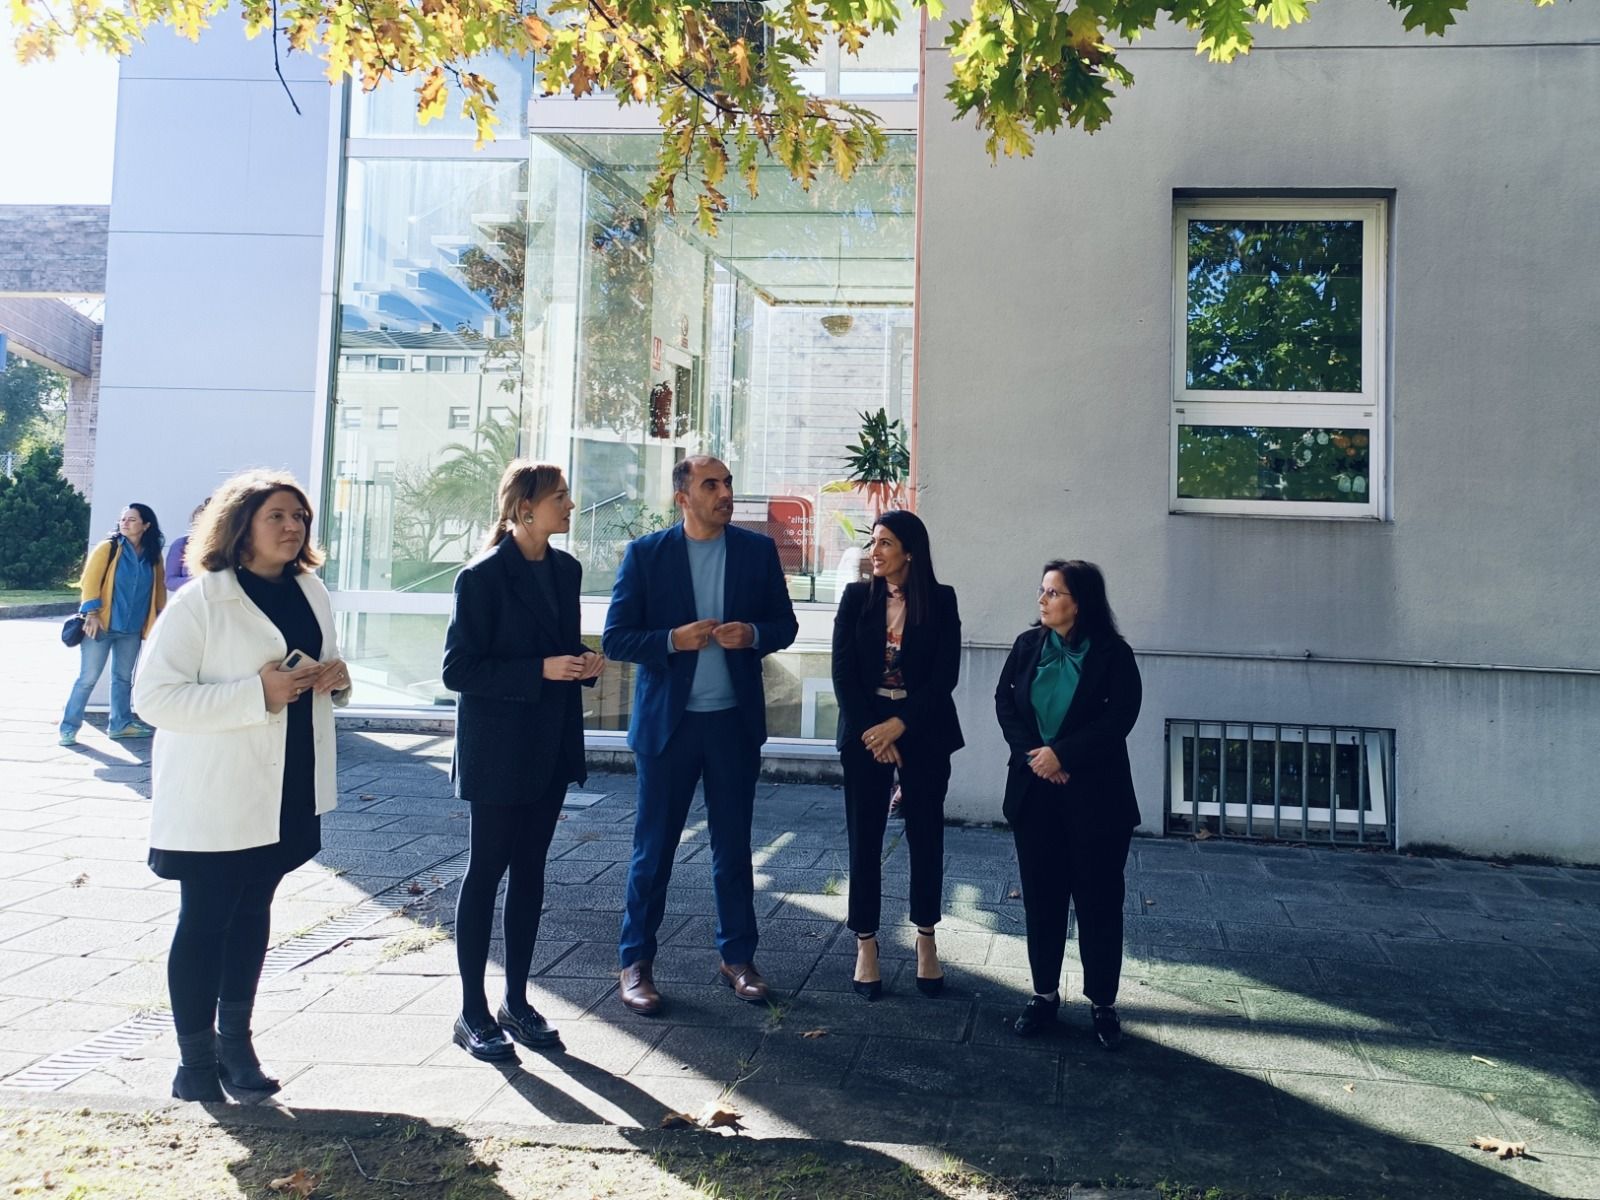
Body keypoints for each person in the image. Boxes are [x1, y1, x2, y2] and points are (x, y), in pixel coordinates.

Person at [133, 471, 351, 1101]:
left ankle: (237, 1045)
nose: (292, 528)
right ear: (241, 526)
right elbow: (153, 698)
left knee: (255, 912)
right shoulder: (201, 601)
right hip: (216, 792)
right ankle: (194, 1064)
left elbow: (309, 675)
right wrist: (254, 693)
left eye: (300, 517)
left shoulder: (311, 590)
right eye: (277, 516)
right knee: (206, 919)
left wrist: (335, 679)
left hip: (288, 785)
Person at [603, 455, 798, 1015]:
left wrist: (754, 633)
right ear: (683, 498)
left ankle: (738, 958)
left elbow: (784, 625)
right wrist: (671, 640)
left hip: (733, 725)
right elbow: (616, 638)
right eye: (712, 484)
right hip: (669, 727)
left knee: (734, 849)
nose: (725, 492)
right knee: (653, 850)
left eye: (729, 482)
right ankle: (635, 962)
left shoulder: (756, 552)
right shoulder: (646, 555)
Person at [440, 461, 606, 1061]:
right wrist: (540, 670)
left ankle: (516, 999)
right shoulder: (481, 577)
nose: (569, 504)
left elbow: (557, 646)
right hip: (496, 746)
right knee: (486, 872)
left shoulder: (565, 569)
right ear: (524, 508)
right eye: (560, 496)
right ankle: (471, 1011)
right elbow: (458, 669)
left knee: (531, 872)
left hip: (551, 741)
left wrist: (584, 662)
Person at [994, 560, 1141, 1049]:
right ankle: (1043, 996)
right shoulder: (1026, 645)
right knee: (1042, 900)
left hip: (1096, 799)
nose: (1042, 600)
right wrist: (1038, 757)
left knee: (1099, 902)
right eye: (1042, 590)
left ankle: (1102, 1003)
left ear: (1080, 601)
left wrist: (1064, 754)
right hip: (1037, 795)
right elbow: (1005, 704)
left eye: (1053, 592)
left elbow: (1119, 718)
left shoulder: (1113, 655)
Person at [831, 510, 963, 1000]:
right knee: (865, 838)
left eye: (885, 542)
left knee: (926, 835)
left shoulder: (941, 600)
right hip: (866, 733)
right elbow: (843, 673)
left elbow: (944, 676)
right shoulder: (855, 598)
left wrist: (900, 724)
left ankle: (926, 939)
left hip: (922, 729)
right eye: (872, 542)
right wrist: (873, 730)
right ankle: (866, 943)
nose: (875, 552)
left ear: (910, 550)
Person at [59, 504, 167, 746]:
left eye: (131, 519)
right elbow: (90, 582)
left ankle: (120, 724)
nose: (125, 523)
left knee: (122, 677)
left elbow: (158, 588)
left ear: (146, 525)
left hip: (132, 627)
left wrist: (159, 619)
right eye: (123, 519)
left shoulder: (153, 553)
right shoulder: (108, 548)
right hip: (100, 625)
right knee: (88, 677)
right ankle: (68, 728)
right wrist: (92, 613)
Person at [165, 499, 209, 593]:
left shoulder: (229, 545)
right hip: (191, 601)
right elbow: (170, 582)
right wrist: (200, 581)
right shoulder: (182, 544)